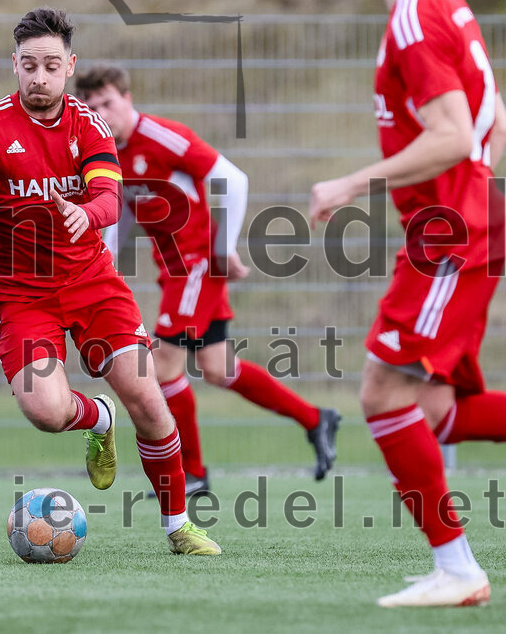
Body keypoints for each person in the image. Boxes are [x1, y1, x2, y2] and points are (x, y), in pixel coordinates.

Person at [0, 8, 222, 555]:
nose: (39, 76)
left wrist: (89, 213)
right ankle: (98, 417)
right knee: (46, 412)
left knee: (148, 399)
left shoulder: (89, 124)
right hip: (22, 295)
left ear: (69, 66)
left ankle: (179, 526)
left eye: (51, 65)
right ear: (14, 64)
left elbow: (108, 193)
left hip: (91, 282)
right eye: (29, 65)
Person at [310, 0, 506, 607]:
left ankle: (457, 570)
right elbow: (492, 120)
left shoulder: (415, 18)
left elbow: (454, 133)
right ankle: (454, 568)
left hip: (449, 235)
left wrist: (353, 181)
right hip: (465, 222)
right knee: (432, 410)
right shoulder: (449, 4)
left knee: (384, 392)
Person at [75, 65, 340, 495]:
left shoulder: (161, 136)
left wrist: (223, 250)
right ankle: (316, 419)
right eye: (92, 108)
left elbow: (233, 180)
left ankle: (192, 472)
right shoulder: (106, 152)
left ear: (127, 98)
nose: (102, 114)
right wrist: (104, 259)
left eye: (108, 103)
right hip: (174, 270)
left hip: (196, 265)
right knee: (218, 368)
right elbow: (120, 209)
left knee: (163, 366)